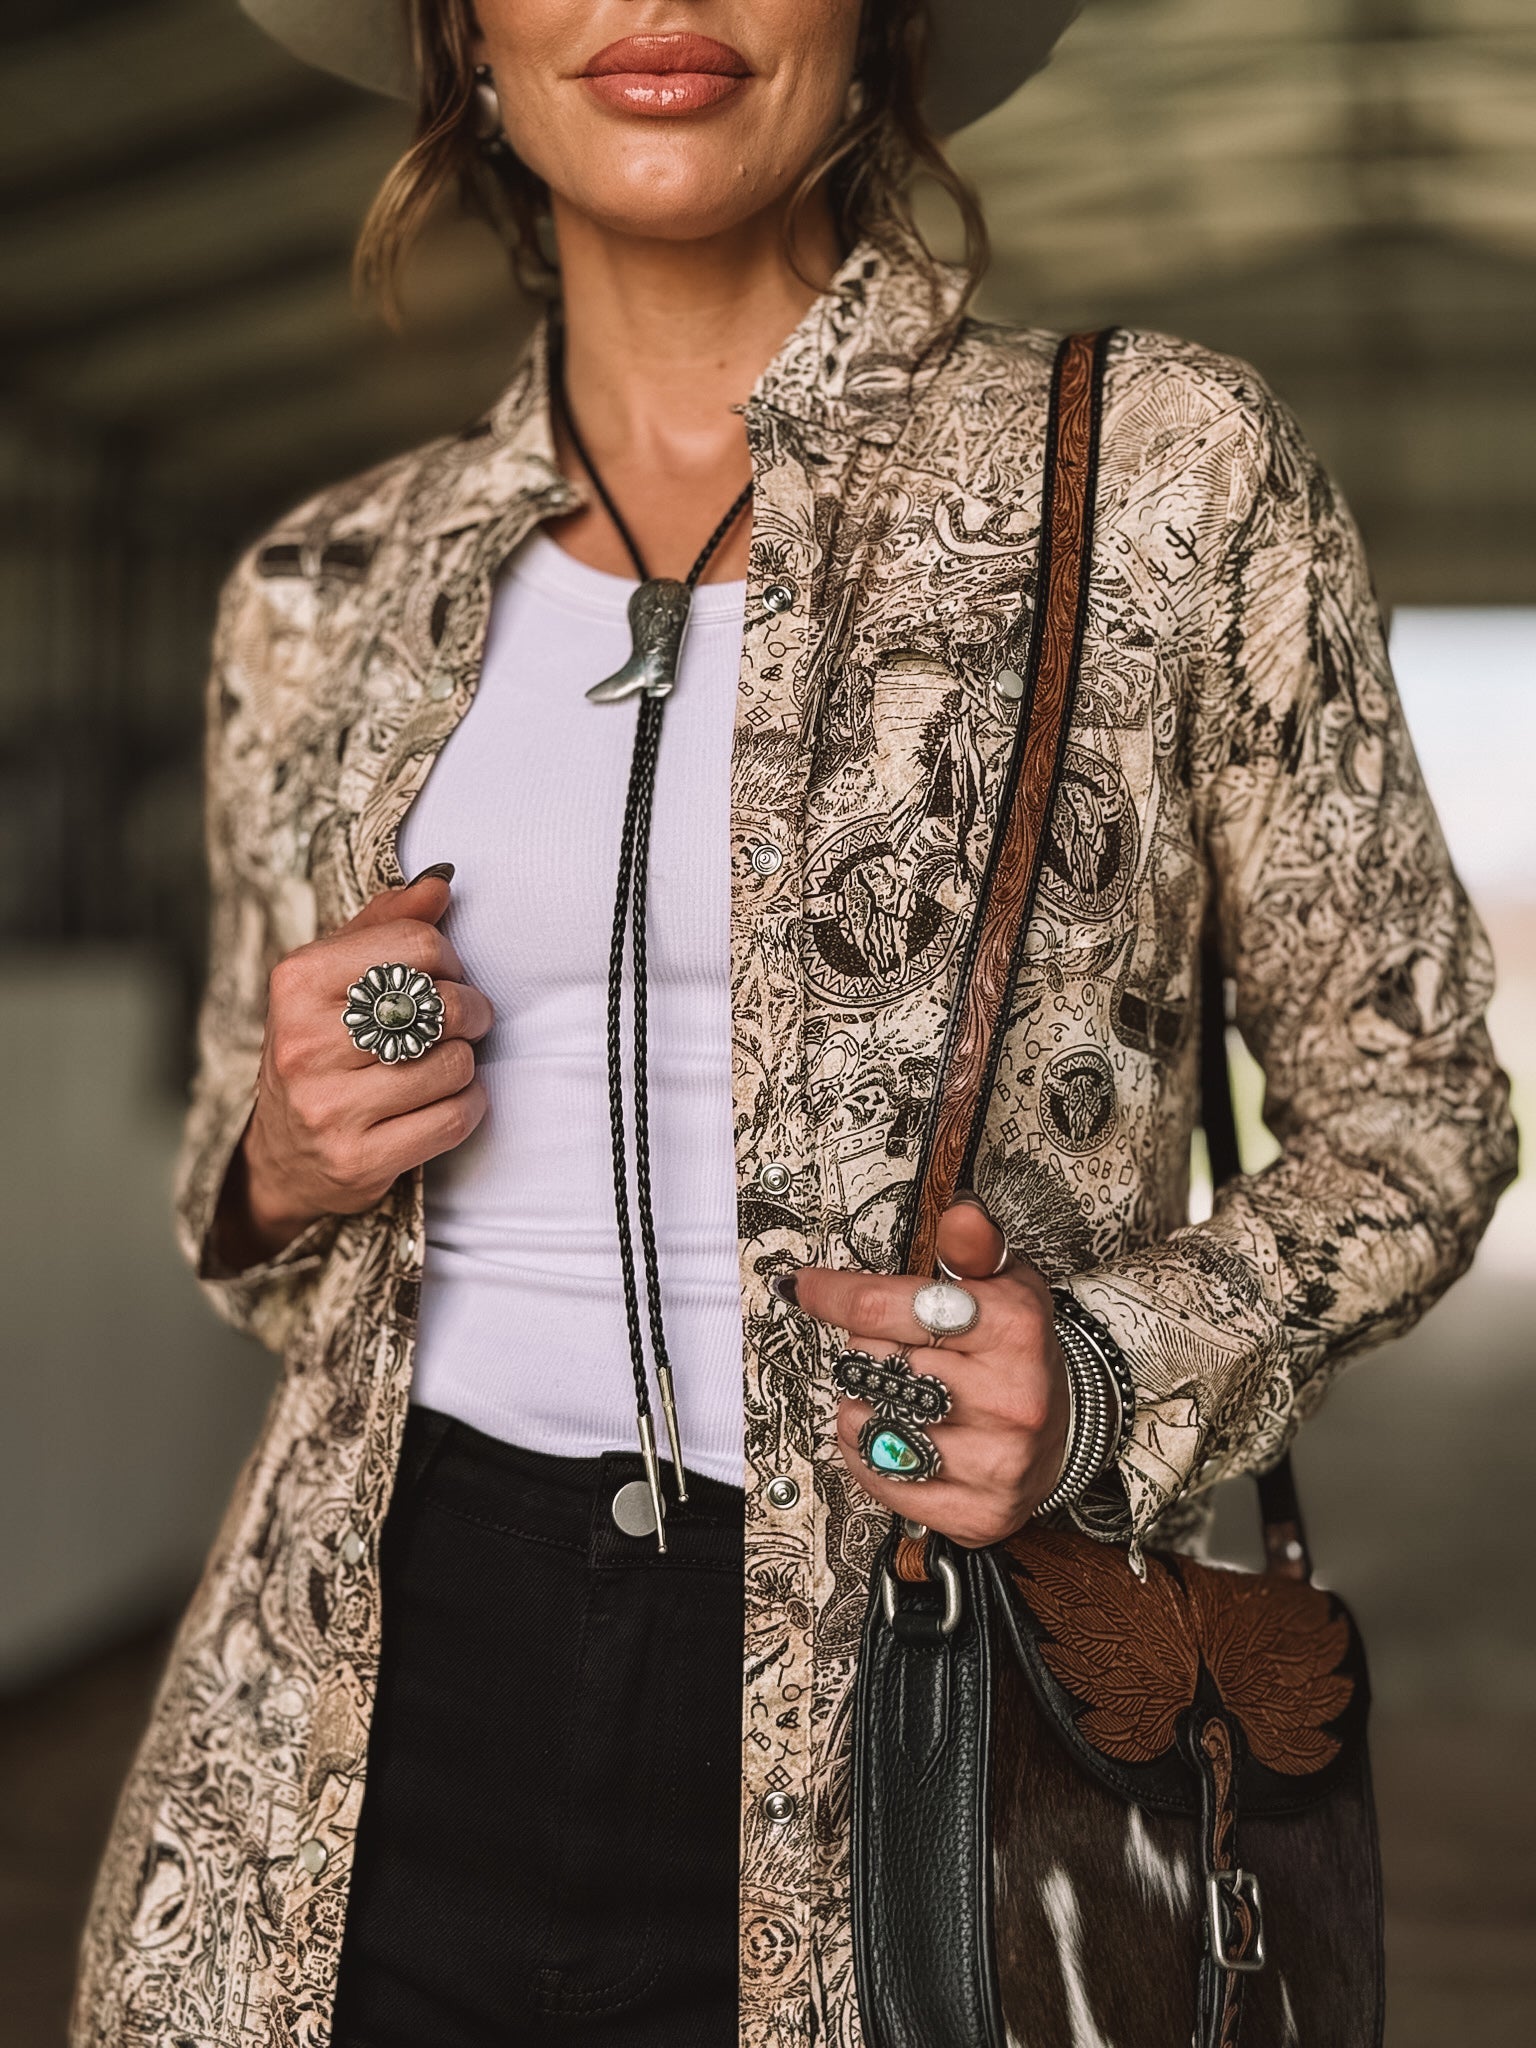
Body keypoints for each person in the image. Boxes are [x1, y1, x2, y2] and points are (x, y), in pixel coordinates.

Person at [73, 3, 1515, 2046]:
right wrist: (287, 1156)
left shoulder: (1161, 475)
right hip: (342, 1734)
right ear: (463, 35)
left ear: (887, 20)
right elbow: (245, 1201)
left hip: (934, 1711)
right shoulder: (327, 590)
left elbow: (1421, 1104)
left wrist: (1107, 1368)